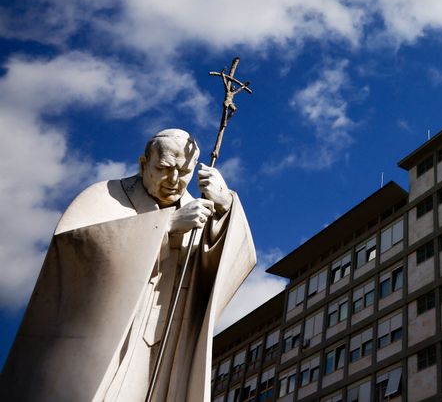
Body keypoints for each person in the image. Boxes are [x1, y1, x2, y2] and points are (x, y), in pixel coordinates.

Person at [1, 129, 256, 401]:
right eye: (163, 168)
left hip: (166, 345)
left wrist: (224, 209)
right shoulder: (106, 197)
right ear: (144, 164)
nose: (173, 180)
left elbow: (226, 270)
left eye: (184, 172)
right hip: (103, 343)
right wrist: (165, 227)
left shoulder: (198, 212)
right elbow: (73, 253)